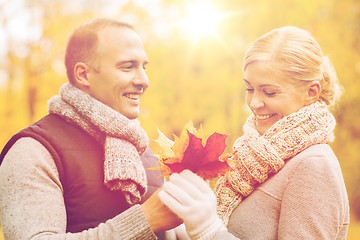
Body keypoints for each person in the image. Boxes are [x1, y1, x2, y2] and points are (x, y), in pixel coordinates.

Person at [158, 26, 350, 239]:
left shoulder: (313, 166)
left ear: (311, 92)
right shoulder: (252, 160)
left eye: (269, 92)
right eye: (250, 89)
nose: (254, 103)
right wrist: (181, 222)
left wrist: (208, 230)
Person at [0, 18, 181, 239]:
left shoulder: (145, 154)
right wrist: (145, 220)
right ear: (83, 74)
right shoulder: (34, 150)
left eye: (143, 67)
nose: (144, 80)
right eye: (127, 67)